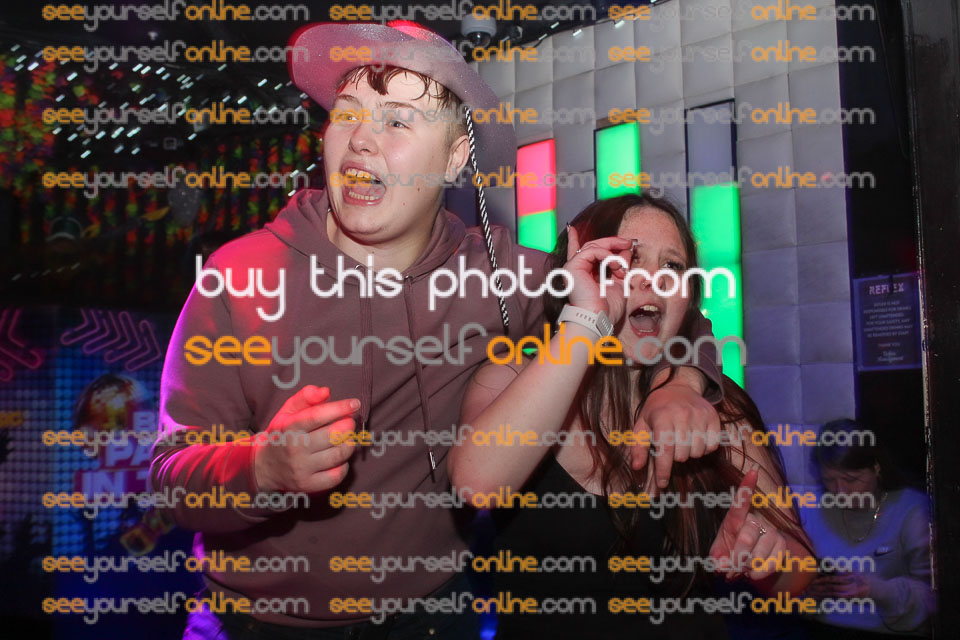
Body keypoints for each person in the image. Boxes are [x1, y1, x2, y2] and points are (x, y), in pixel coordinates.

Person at [151, 22, 726, 639]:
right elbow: (170, 479)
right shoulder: (240, 276)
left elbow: (659, 305)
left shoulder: (500, 274)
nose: (361, 139)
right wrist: (261, 469)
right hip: (252, 622)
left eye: (398, 120)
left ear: (455, 157)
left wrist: (683, 383)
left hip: (431, 617)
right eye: (347, 114)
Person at [449, 193, 815, 639]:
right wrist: (587, 319)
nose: (653, 280)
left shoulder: (716, 405)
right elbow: (477, 484)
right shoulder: (509, 377)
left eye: (672, 266)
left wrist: (767, 563)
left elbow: (800, 576)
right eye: (628, 260)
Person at [802, 419, 934, 639]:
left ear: (876, 467)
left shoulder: (913, 510)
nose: (840, 491)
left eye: (851, 479)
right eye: (829, 480)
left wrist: (876, 590)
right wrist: (808, 594)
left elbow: (935, 600)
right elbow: (788, 596)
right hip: (823, 630)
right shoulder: (812, 509)